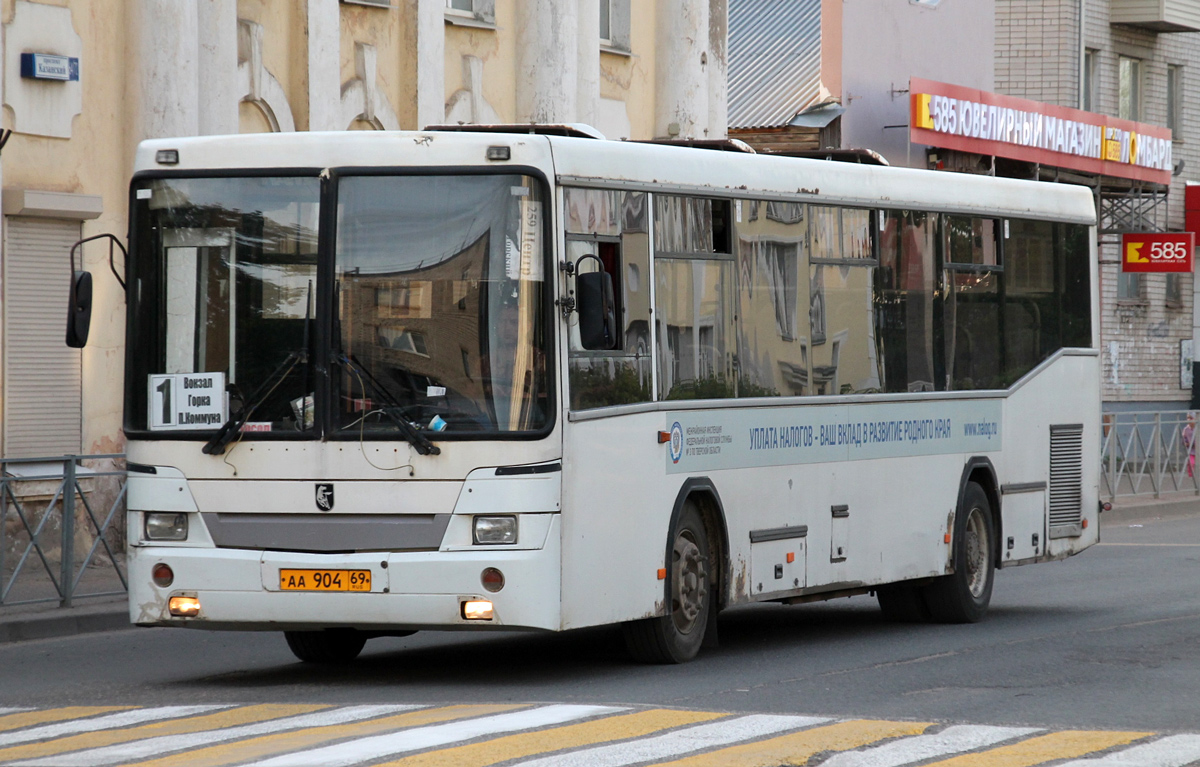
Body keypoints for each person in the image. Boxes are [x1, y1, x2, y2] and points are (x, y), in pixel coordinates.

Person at [1183, 413, 1196, 479]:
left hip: (1198, 449)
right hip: (1191, 450)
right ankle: (1191, 476)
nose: (1189, 420)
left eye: (1191, 418)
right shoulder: (1186, 429)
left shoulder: (1198, 428)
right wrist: (1186, 443)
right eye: (1188, 418)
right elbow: (1184, 438)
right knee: (1191, 463)